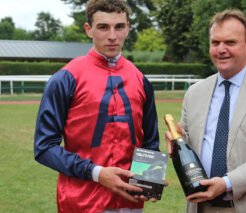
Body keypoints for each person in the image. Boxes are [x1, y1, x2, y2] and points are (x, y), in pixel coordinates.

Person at [166, 9, 246, 213]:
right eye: (215, 42)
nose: (221, 49)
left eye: (230, 42)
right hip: (202, 207)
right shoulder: (194, 93)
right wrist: (178, 143)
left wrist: (226, 183)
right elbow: (191, 150)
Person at [34, 0, 161, 212]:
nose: (112, 36)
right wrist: (97, 173)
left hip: (130, 204)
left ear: (127, 28)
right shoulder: (65, 78)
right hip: (81, 203)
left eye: (119, 26)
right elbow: (44, 147)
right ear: (88, 30)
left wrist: (149, 181)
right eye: (103, 27)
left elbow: (150, 141)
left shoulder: (141, 80)